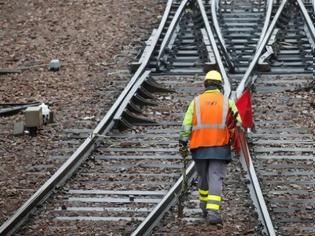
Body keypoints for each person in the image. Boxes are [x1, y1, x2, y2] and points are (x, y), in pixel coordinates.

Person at [178, 70, 241, 224]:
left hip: (199, 147)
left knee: (202, 178)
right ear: (220, 85)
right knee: (216, 178)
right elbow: (238, 123)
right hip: (220, 146)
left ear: (205, 84)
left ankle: (204, 207)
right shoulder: (227, 102)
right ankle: (213, 213)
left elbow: (186, 124)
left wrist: (183, 142)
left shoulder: (196, 102)